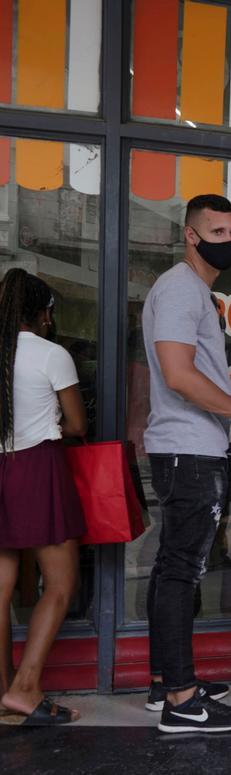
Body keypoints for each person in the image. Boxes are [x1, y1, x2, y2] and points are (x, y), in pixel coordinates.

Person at [142, 194, 231, 733]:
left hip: (190, 445)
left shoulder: (193, 291)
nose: (228, 242)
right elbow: (177, 373)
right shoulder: (181, 287)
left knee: (171, 569)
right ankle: (182, 699)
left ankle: (165, 682)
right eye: (216, 233)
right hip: (189, 450)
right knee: (182, 571)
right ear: (190, 235)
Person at [0, 269, 86, 725]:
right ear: (43, 312)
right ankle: (27, 688)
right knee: (59, 583)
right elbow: (77, 425)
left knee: (1, 588)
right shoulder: (51, 354)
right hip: (37, 467)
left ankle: (4, 689)